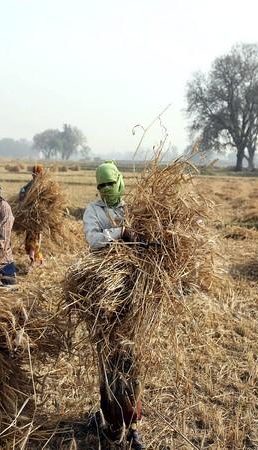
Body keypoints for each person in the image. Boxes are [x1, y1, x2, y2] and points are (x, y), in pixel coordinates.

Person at [82, 161, 144, 450]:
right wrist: (121, 234)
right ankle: (112, 424)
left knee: (131, 362)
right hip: (103, 298)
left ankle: (134, 426)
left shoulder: (135, 208)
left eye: (111, 183)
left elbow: (149, 237)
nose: (107, 189)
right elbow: (94, 241)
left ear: (119, 181)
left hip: (133, 294)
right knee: (108, 363)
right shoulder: (94, 211)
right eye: (102, 185)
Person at [18, 164, 44, 265]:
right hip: (34, 216)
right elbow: (22, 193)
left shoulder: (39, 185)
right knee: (35, 238)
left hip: (35, 216)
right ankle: (37, 258)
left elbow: (22, 192)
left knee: (32, 237)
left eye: (35, 173)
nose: (35, 175)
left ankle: (34, 257)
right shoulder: (36, 185)